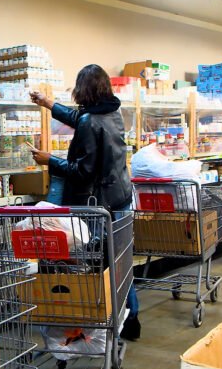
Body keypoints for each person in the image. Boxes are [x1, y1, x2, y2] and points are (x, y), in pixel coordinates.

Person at [30, 64, 141, 340]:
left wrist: (50, 161)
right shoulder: (112, 111)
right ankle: (131, 319)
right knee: (120, 260)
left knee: (105, 263)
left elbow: (83, 171)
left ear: (82, 89)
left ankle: (111, 320)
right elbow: (79, 118)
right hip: (120, 196)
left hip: (100, 202)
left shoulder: (90, 121)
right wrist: (48, 103)